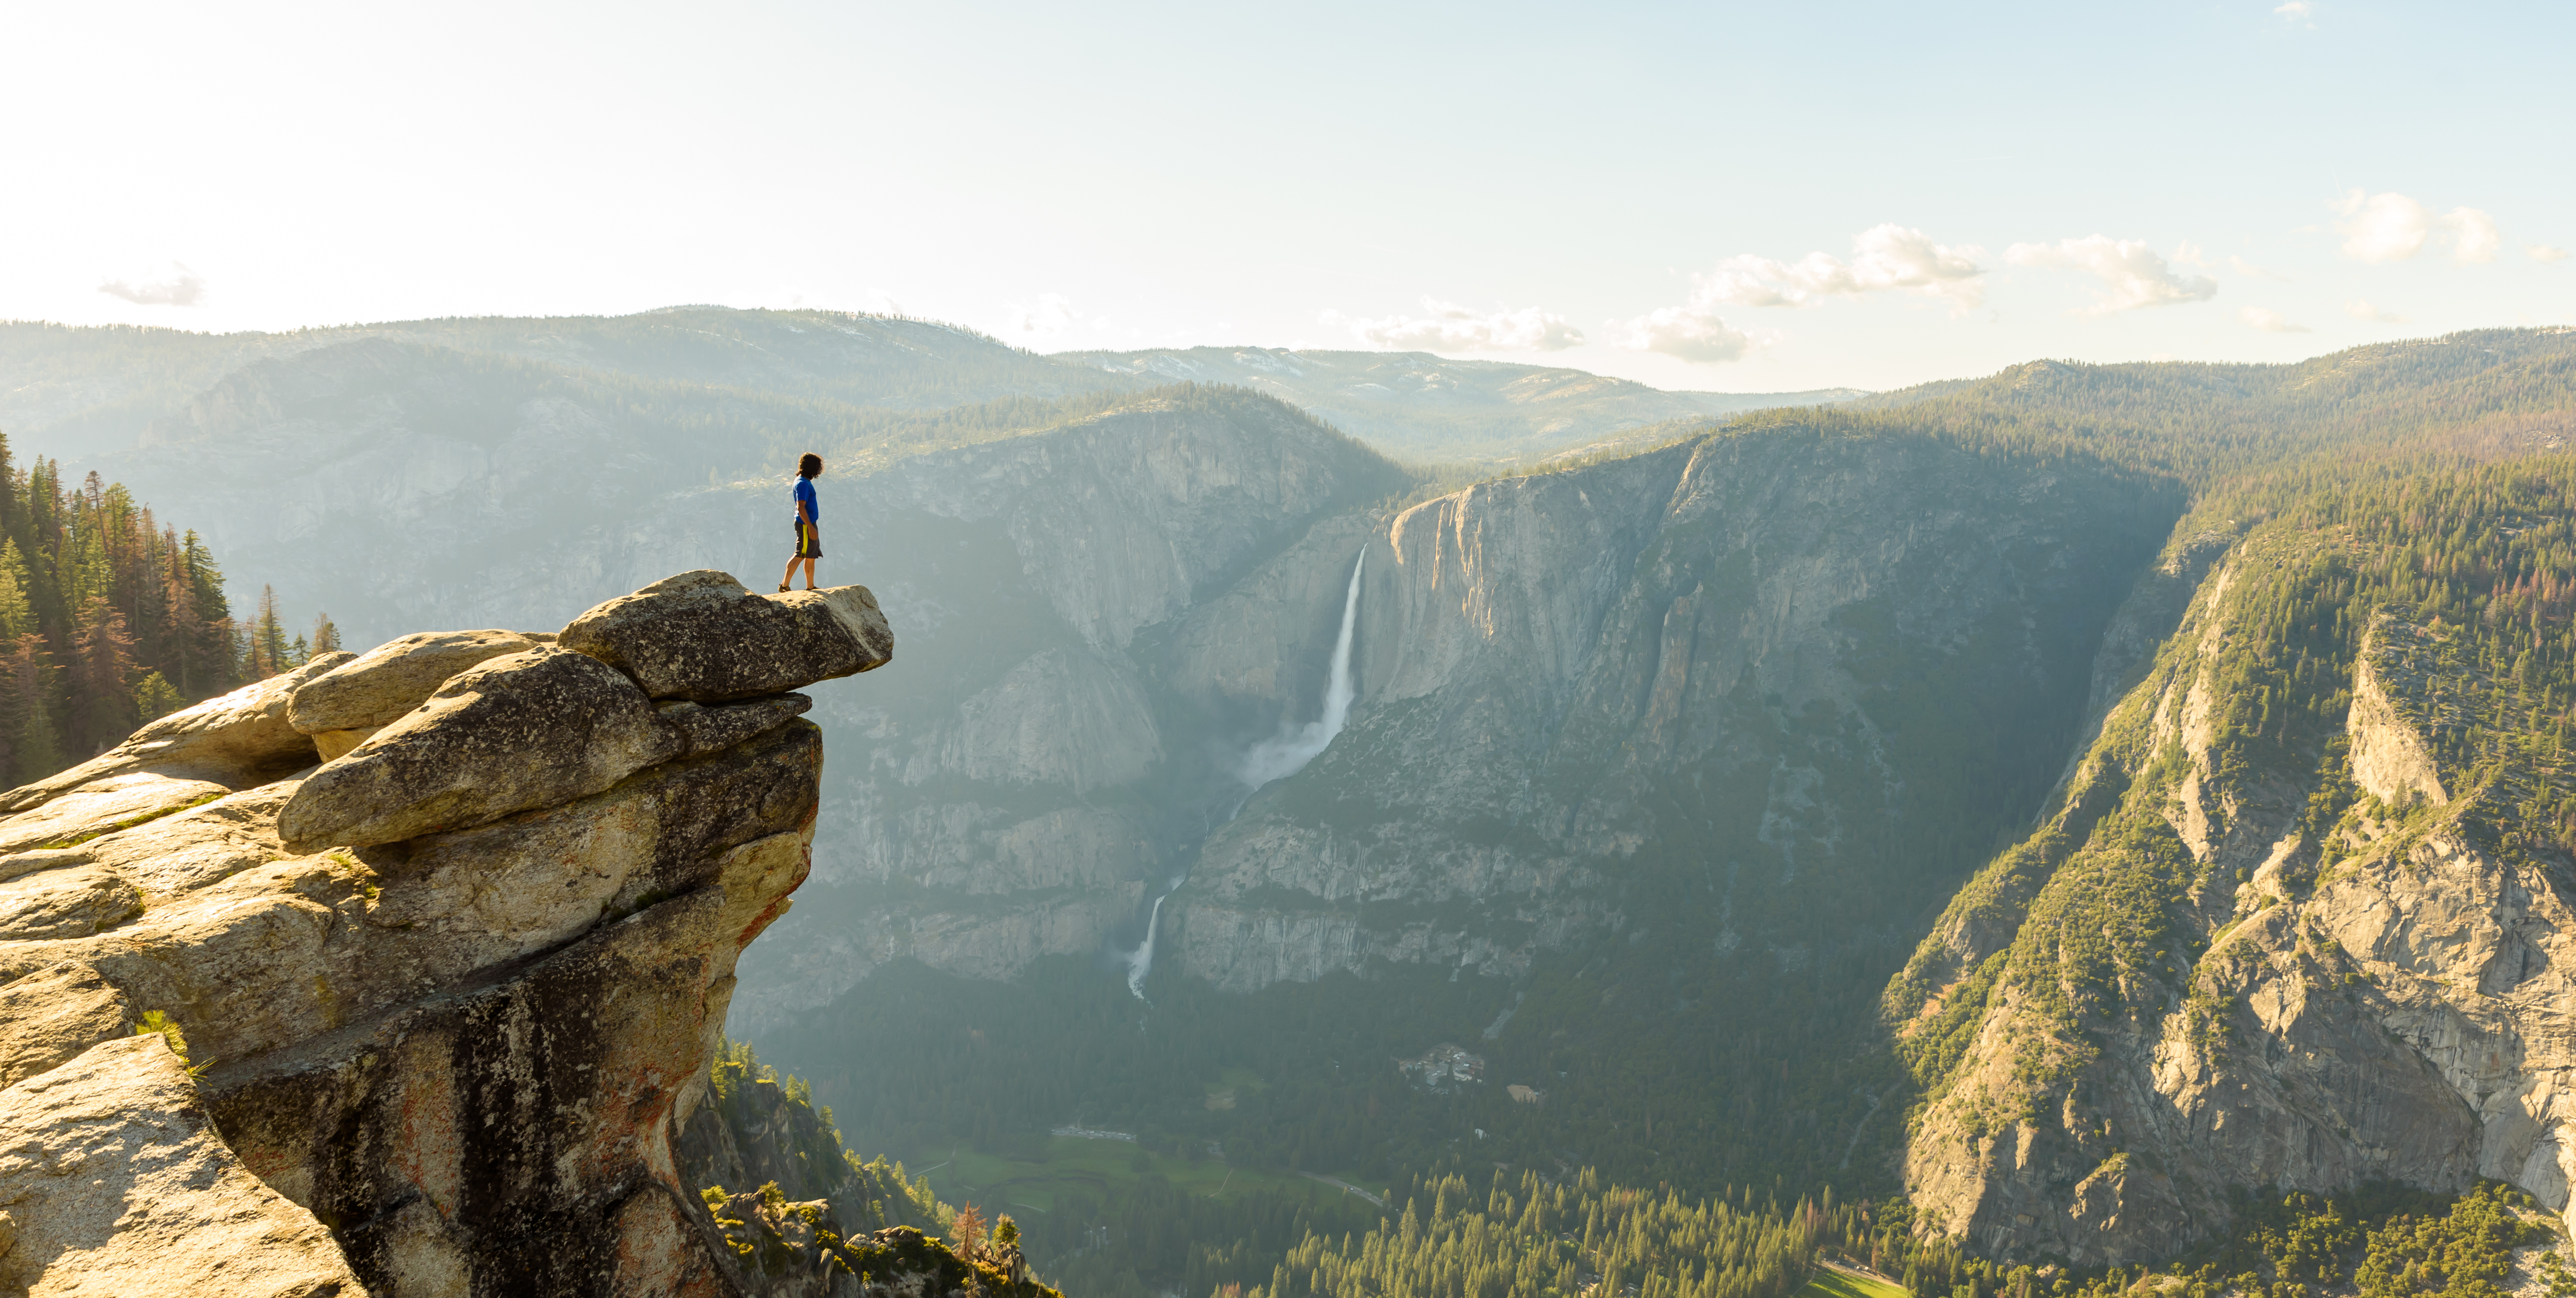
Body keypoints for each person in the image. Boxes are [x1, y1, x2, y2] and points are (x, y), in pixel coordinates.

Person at [779, 453, 824, 592]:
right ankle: (785, 585)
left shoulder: (803, 481)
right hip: (806, 524)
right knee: (800, 554)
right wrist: (810, 527)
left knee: (811, 554)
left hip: (810, 523)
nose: (819, 471)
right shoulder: (803, 484)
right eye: (817, 468)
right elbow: (801, 507)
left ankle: (810, 586)